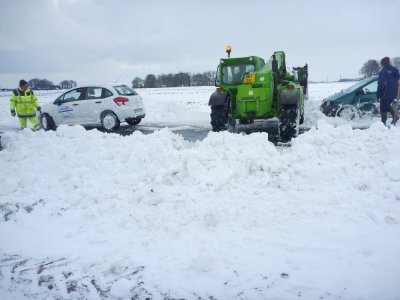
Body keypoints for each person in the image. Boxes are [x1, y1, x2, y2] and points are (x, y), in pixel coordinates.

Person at [377, 57, 400, 125]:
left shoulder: (383, 72)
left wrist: (378, 95)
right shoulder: (395, 70)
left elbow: (381, 85)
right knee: (387, 105)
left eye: (381, 63)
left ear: (383, 64)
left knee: (383, 108)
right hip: (394, 93)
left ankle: (383, 124)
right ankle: (395, 117)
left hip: (385, 93)